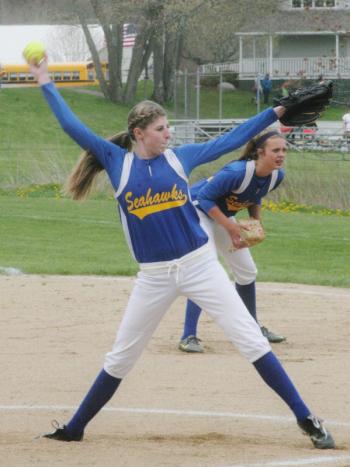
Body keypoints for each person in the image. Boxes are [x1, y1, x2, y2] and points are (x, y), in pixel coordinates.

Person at [28, 57, 335, 449]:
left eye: (167, 127)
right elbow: (72, 126)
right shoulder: (116, 162)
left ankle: (306, 419)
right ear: (138, 133)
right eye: (160, 129)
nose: (168, 134)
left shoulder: (179, 158)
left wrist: (275, 112)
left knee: (250, 340)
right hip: (153, 277)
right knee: (121, 356)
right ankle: (75, 427)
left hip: (200, 265)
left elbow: (230, 139)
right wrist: (44, 81)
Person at [179, 131, 287, 354]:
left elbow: (255, 195)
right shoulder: (237, 172)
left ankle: (253, 327)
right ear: (260, 153)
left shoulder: (276, 176)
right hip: (195, 211)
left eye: (284, 150)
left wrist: (255, 223)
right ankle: (188, 335)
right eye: (275, 150)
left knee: (247, 271)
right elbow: (205, 198)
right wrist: (232, 228)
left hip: (219, 214)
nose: (281, 154)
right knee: (205, 269)